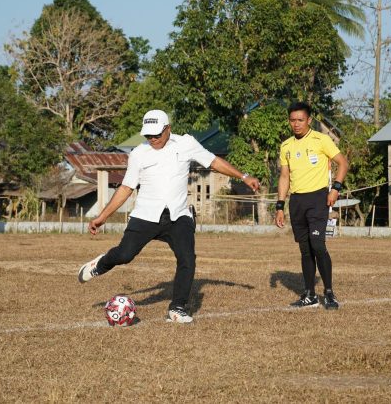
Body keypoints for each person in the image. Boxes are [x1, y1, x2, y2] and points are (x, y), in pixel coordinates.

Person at [78, 109, 260, 323]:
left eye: (156, 134)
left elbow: (213, 161)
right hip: (145, 215)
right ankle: (100, 264)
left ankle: (177, 308)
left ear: (168, 129)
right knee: (125, 255)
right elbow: (126, 188)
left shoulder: (186, 143)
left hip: (178, 215)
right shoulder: (138, 153)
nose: (152, 139)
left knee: (187, 259)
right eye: (148, 135)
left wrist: (244, 176)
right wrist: (102, 217)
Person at [274, 102, 348, 309]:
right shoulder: (286, 146)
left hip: (318, 199)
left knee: (318, 245)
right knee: (305, 250)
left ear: (309, 120)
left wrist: (336, 189)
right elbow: (284, 176)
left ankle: (329, 293)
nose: (296, 124)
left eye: (300, 120)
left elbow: (343, 163)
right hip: (296, 201)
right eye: (292, 120)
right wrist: (280, 205)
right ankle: (310, 294)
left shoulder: (321, 139)